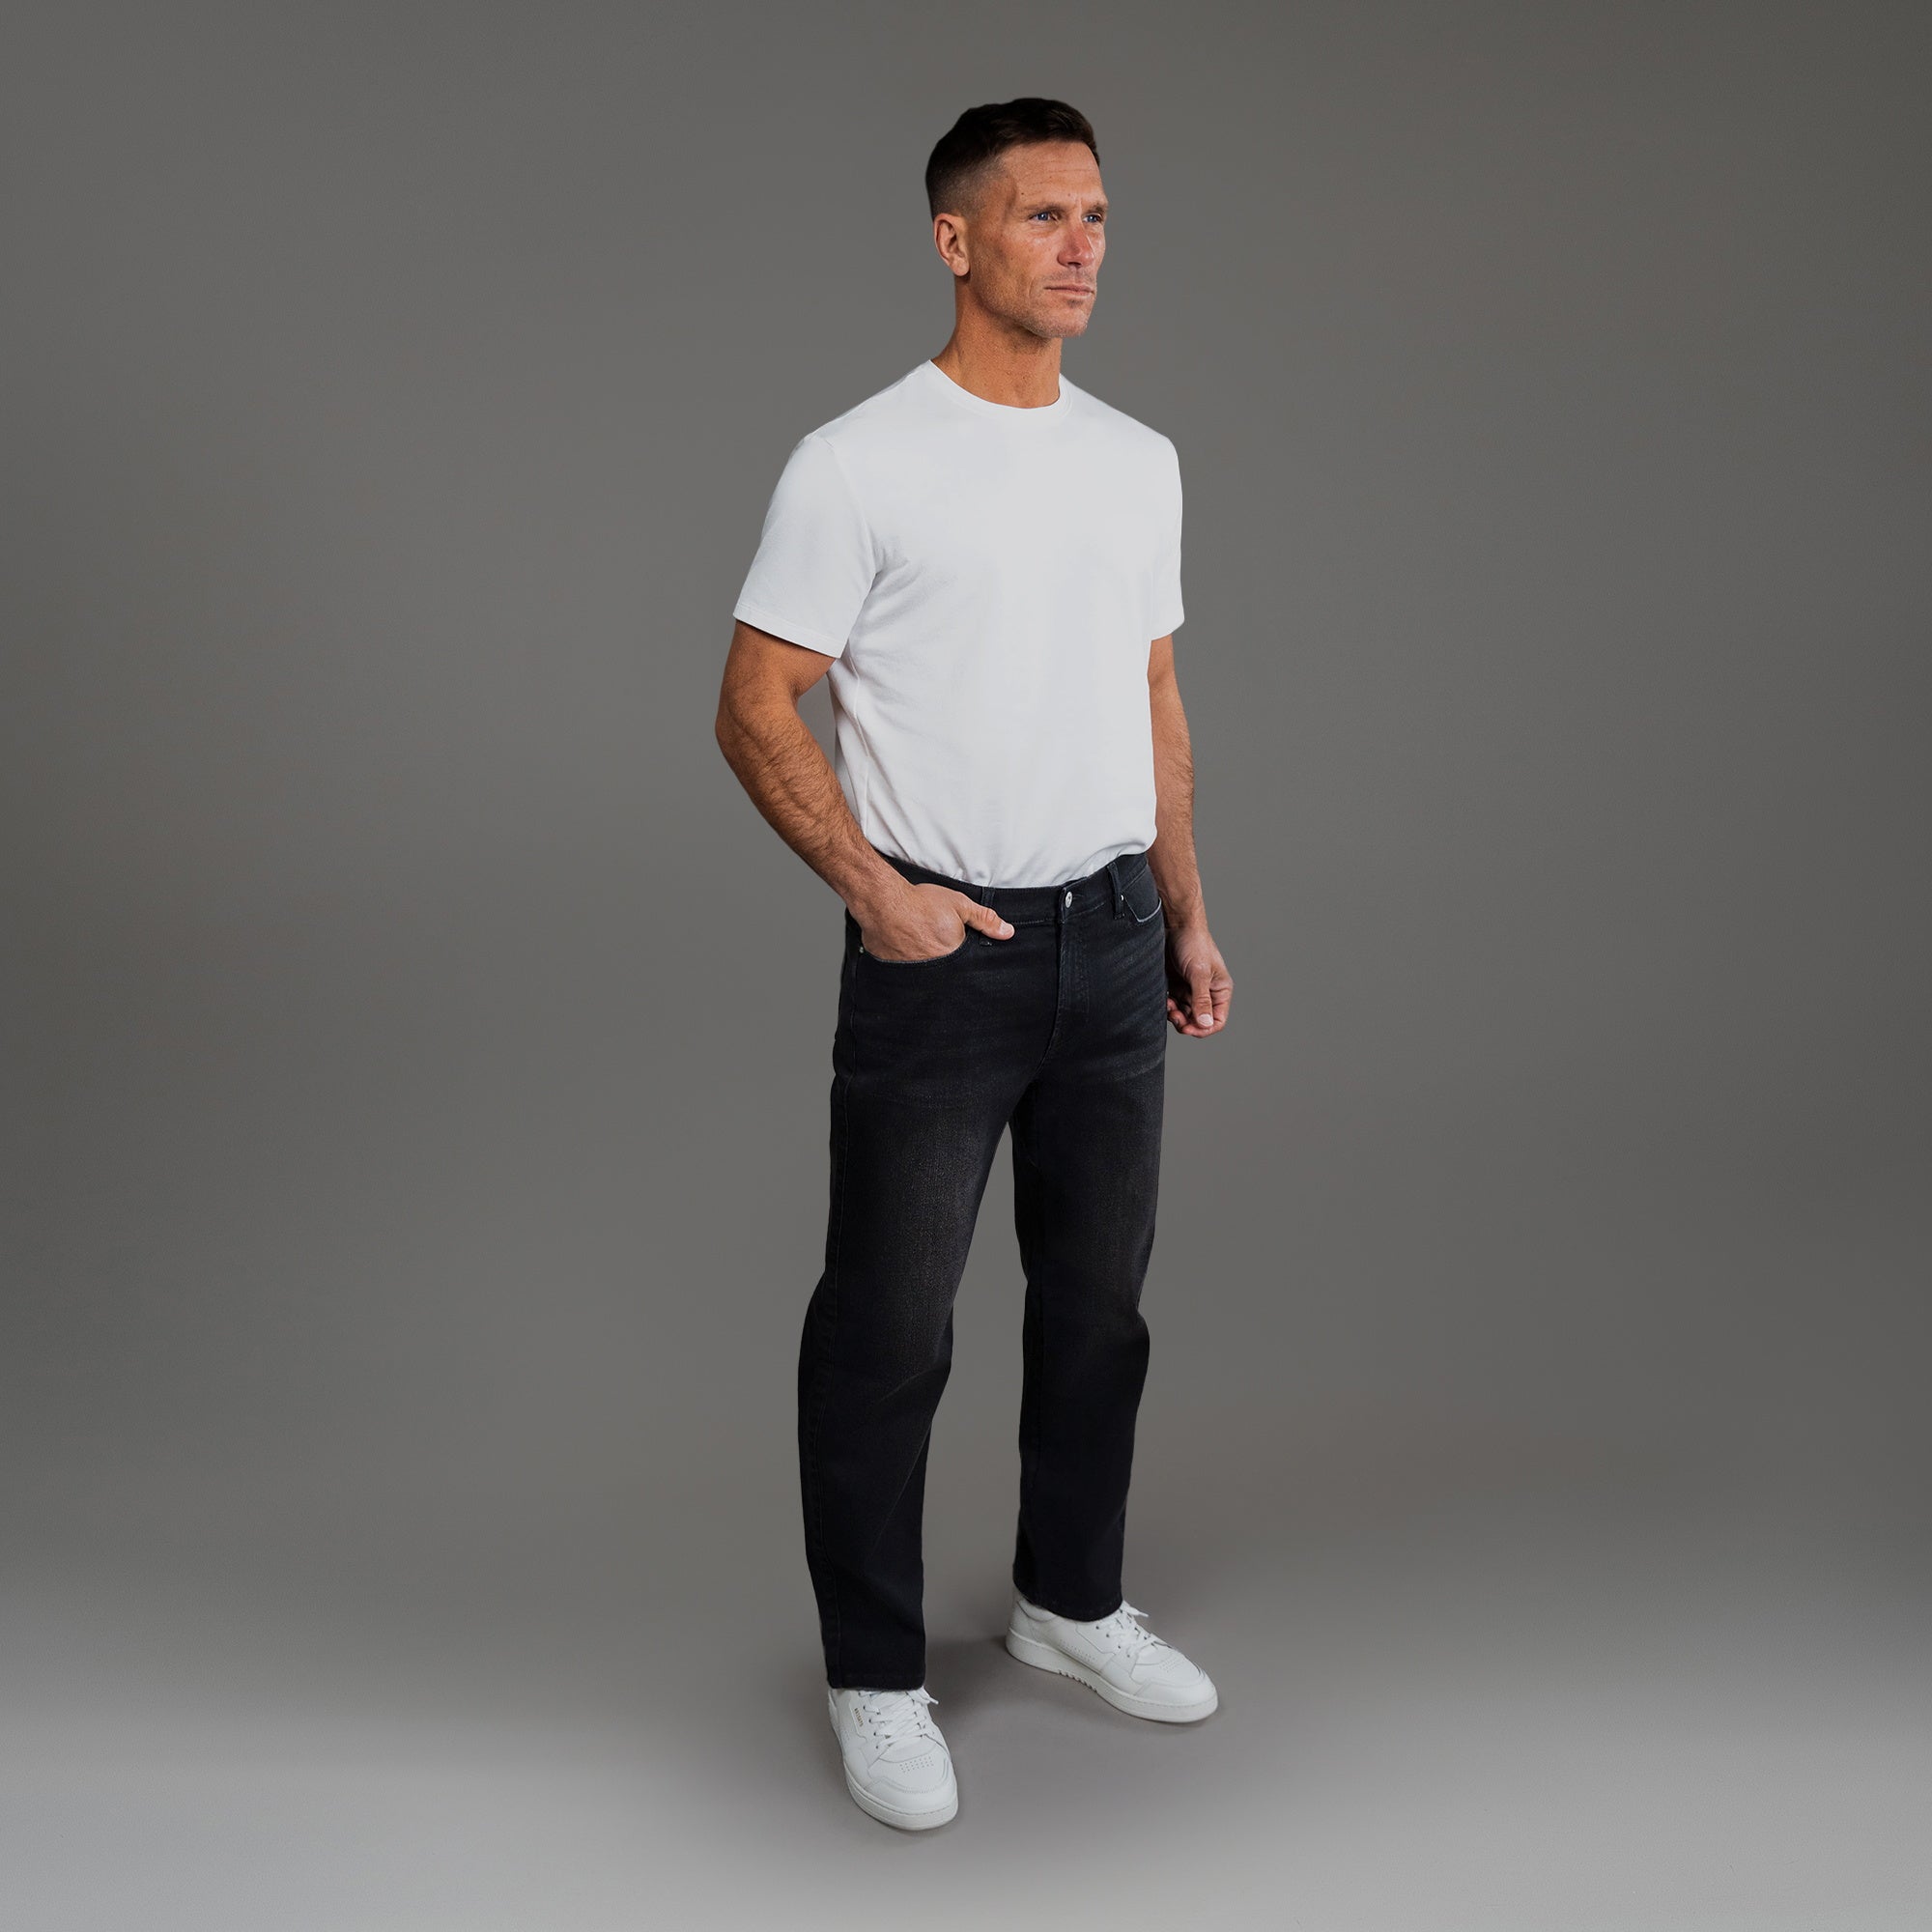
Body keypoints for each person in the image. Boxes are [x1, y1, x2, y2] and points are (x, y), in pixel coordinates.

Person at [714, 97, 1233, 1833]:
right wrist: (875, 891)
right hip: (946, 958)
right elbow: (752, 702)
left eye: (1098, 216)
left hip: (1114, 941)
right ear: (956, 240)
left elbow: (1151, 694)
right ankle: (876, 1675)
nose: (1082, 247)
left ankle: (1068, 1602)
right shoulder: (858, 463)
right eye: (1041, 218)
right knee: (889, 1328)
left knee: (1097, 1309)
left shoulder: (1138, 459)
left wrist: (1186, 909)